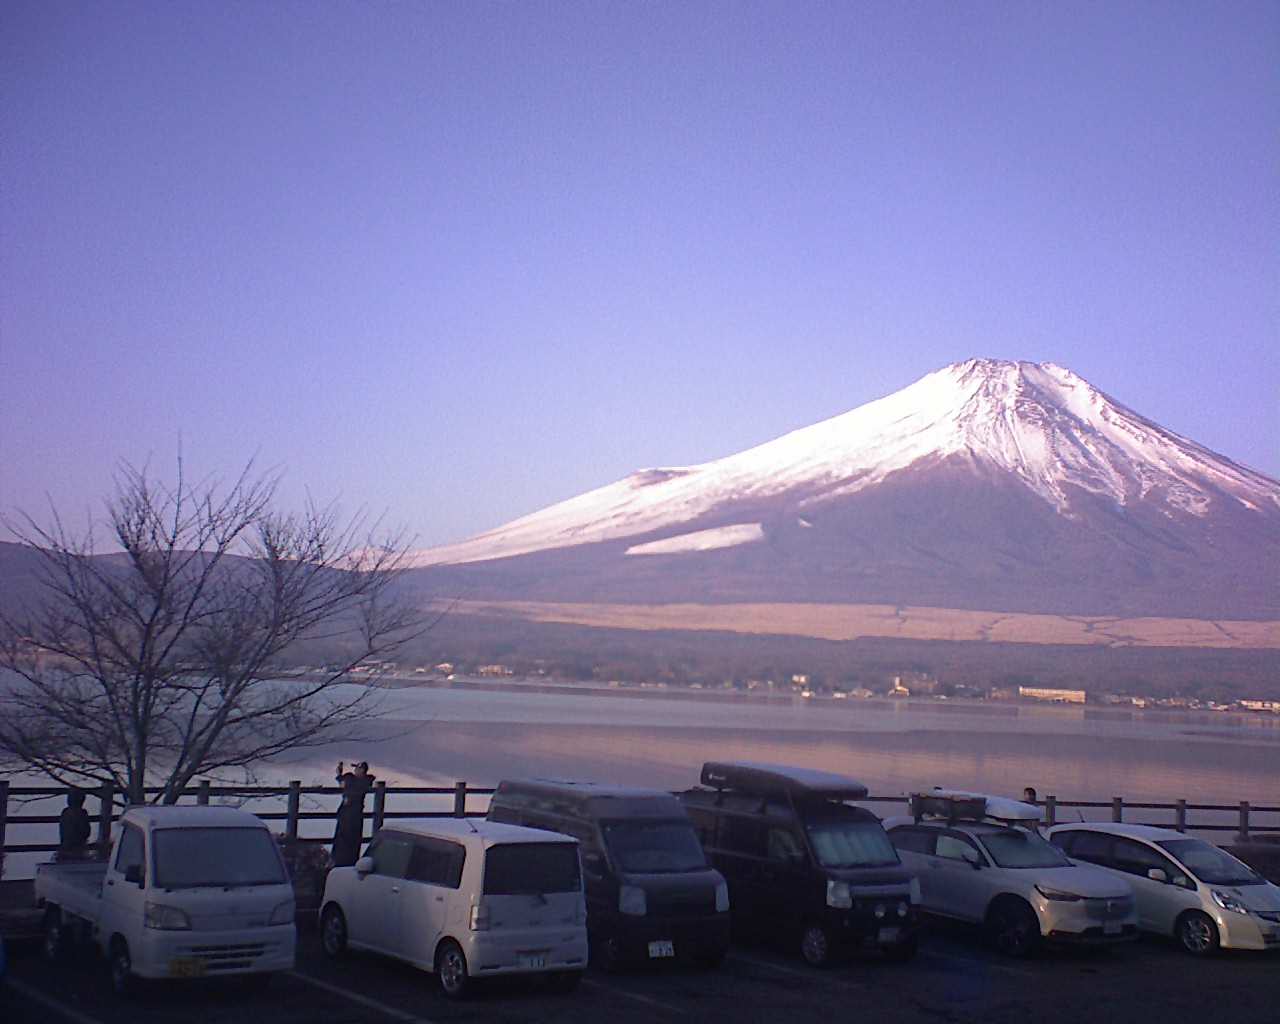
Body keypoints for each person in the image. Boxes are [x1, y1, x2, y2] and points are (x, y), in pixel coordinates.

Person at [331, 760, 376, 867]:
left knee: (347, 842)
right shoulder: (363, 781)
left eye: (358, 768)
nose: (355, 770)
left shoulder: (358, 781)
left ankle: (342, 863)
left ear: (362, 770)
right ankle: (343, 862)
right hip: (349, 815)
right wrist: (340, 775)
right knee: (346, 842)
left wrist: (341, 776)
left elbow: (345, 786)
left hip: (351, 815)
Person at [58, 791, 91, 859]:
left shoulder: (65, 813)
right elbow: (86, 831)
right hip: (78, 847)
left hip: (67, 847)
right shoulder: (82, 813)